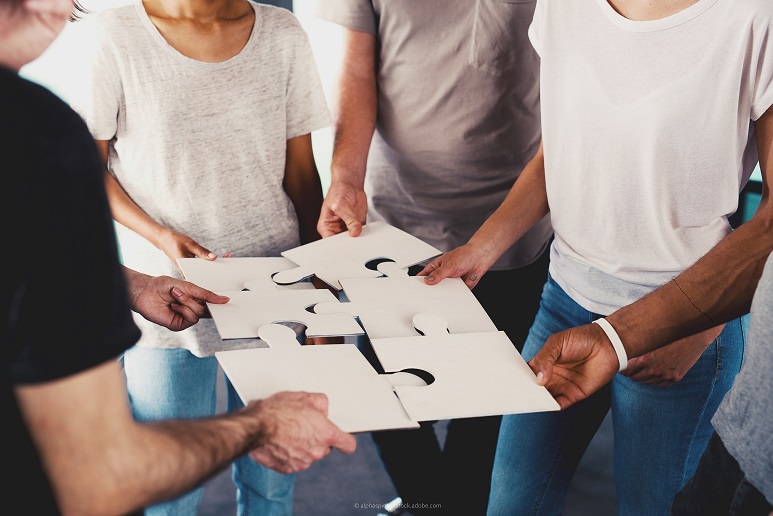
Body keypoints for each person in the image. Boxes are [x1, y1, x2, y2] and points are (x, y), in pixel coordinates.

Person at [3, 0, 357, 514]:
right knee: (167, 491)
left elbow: (302, 177)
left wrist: (323, 296)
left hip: (276, 290)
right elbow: (90, 171)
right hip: (164, 295)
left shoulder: (283, 32)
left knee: (273, 479)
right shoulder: (107, 38)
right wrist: (162, 236)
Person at [420, 0, 773, 514]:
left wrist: (705, 327)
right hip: (563, 299)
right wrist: (483, 247)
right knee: (510, 505)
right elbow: (557, 154)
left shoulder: (754, 15)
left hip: (683, 322)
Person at [308, 1, 553, 512]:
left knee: (485, 405)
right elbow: (356, 71)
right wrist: (346, 179)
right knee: (388, 396)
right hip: (393, 226)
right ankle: (432, 504)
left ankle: (448, 504)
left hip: (511, 224)